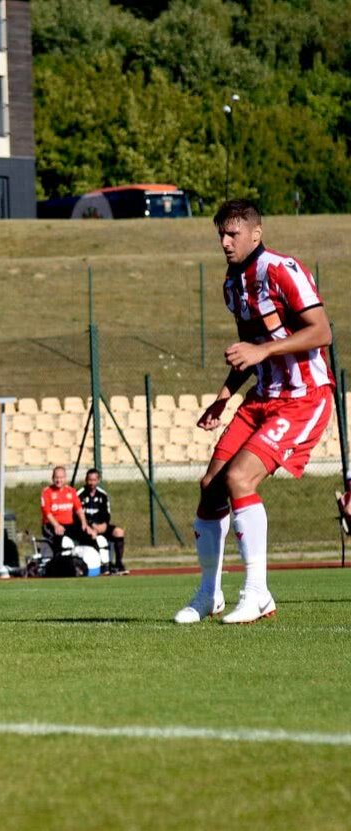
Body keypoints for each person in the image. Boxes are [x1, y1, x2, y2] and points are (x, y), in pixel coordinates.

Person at [176, 199, 333, 625]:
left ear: (255, 234)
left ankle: (258, 593)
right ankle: (209, 594)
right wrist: (224, 396)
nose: (225, 242)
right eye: (221, 235)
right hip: (260, 397)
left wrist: (263, 349)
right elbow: (249, 354)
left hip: (304, 397)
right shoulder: (233, 285)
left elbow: (322, 331)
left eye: (233, 234)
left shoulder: (282, 270)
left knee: (238, 477)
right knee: (211, 485)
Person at [78, 468, 127, 574]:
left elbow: (107, 514)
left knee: (119, 532)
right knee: (94, 536)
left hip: (101, 526)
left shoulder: (103, 495)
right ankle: (103, 565)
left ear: (98, 480)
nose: (92, 483)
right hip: (86, 528)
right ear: (86, 480)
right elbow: (79, 515)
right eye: (90, 480)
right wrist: (91, 526)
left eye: (94, 480)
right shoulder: (80, 494)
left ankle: (119, 564)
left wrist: (104, 525)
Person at [40, 465, 95, 556]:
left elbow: (78, 509)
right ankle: (58, 563)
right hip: (51, 525)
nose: (59, 480)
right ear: (52, 478)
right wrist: (56, 525)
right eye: (56, 477)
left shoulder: (71, 491)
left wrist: (84, 524)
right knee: (60, 539)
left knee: (88, 536)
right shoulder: (47, 492)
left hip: (69, 525)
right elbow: (47, 513)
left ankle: (90, 563)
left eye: (61, 478)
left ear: (65, 478)